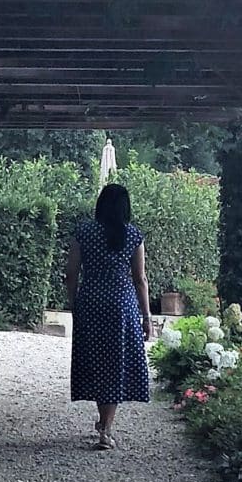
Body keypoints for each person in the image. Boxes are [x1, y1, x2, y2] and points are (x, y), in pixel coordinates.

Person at [65, 182, 153, 449]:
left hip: (91, 301)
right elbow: (140, 279)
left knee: (95, 359)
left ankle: (103, 423)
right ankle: (106, 427)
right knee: (116, 362)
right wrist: (146, 315)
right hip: (121, 304)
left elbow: (71, 274)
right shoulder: (133, 235)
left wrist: (74, 304)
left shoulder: (84, 233)